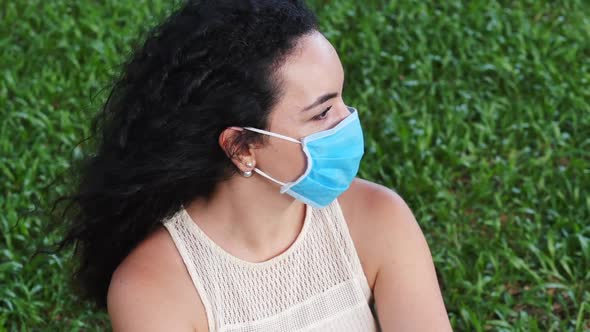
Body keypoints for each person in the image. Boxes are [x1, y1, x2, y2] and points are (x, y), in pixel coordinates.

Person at [60, 0, 452, 331]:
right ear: (241, 146)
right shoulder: (154, 289)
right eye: (322, 114)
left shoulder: (379, 219)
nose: (348, 121)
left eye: (341, 100)